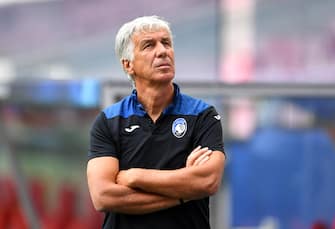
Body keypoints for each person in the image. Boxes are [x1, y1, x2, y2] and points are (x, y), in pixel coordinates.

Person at [87, 15, 226, 229]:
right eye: (149, 45)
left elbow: (207, 181)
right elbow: (104, 197)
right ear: (128, 65)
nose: (162, 51)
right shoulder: (108, 121)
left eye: (166, 43)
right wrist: (183, 193)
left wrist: (135, 176)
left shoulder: (202, 116)